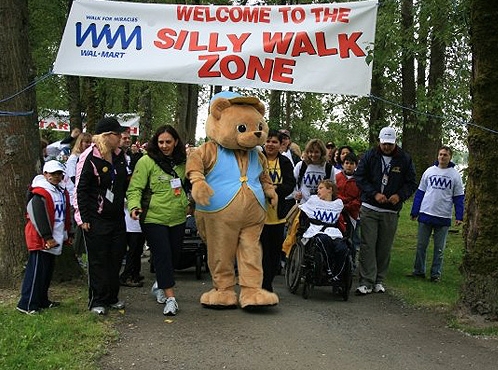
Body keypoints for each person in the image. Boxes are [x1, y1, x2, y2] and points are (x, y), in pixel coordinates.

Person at [126, 125, 189, 316]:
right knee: (162, 254)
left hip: (178, 216)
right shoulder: (146, 161)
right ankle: (171, 299)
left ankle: (161, 283)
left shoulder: (183, 162)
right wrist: (134, 206)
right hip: (153, 217)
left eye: (168, 142)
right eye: (160, 142)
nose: (164, 145)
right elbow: (134, 188)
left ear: (176, 142)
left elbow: (195, 180)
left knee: (174, 256)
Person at [74, 117, 128, 315]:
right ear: (107, 136)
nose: (121, 137)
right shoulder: (89, 156)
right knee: (98, 260)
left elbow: (122, 184)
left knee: (116, 257)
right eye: (117, 134)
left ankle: (112, 297)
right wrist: (83, 218)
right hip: (95, 218)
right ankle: (97, 300)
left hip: (117, 217)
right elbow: (80, 188)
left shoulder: (120, 155)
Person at [354, 126, 417, 295]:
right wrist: (374, 194)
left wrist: (399, 195)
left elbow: (411, 182)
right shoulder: (370, 156)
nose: (387, 147)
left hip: (390, 210)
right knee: (368, 244)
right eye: (384, 144)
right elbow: (359, 177)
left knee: (384, 246)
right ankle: (366, 280)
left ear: (395, 142)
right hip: (370, 207)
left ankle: (379, 280)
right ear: (379, 142)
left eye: (390, 144)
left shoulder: (404, 159)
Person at [17, 160, 71, 315]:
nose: (56, 177)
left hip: (55, 236)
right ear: (45, 174)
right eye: (53, 174)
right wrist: (47, 237)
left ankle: (42, 299)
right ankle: (26, 303)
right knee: (36, 271)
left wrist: (67, 233)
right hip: (41, 238)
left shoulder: (60, 190)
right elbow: (38, 216)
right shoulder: (40, 192)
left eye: (59, 174)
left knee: (46, 271)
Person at [408, 146, 464, 282]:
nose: (442, 157)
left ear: (450, 157)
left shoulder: (454, 175)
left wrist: (459, 216)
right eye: (440, 154)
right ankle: (418, 271)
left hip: (443, 216)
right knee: (421, 245)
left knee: (439, 249)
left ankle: (435, 274)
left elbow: (458, 197)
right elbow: (420, 193)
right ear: (437, 156)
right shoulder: (429, 172)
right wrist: (415, 211)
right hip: (426, 213)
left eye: (445, 155)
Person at [260, 130, 296, 292]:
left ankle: (267, 283)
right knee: (259, 251)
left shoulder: (285, 162)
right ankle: (258, 283)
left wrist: (275, 190)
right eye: (267, 141)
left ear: (281, 144)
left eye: (274, 142)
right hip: (257, 214)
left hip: (277, 216)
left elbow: (290, 184)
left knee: (273, 253)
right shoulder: (257, 160)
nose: (270, 145)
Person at [299, 179, 349, 281]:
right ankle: (329, 268)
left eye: (321, 188)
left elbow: (344, 218)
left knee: (343, 248)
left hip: (333, 232)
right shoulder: (313, 200)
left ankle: (337, 274)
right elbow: (302, 213)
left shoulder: (338, 203)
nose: (318, 191)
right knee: (324, 240)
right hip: (316, 230)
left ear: (330, 190)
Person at [65, 132, 93, 268]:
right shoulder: (73, 159)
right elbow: (74, 180)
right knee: (77, 231)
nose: (88, 145)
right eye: (85, 142)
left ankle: (82, 256)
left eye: (90, 142)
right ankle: (77, 256)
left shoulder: (88, 157)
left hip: (84, 199)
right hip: (74, 199)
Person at [294, 138, 335, 204]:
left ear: (321, 153)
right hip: (303, 204)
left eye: (316, 152)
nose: (313, 155)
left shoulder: (329, 168)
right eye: (311, 152)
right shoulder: (301, 165)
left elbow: (333, 186)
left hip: (322, 205)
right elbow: (292, 181)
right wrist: (295, 193)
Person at [336, 152, 361, 254]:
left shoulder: (359, 180)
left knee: (350, 238)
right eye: (346, 163)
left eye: (351, 163)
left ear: (356, 165)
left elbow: (359, 198)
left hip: (351, 214)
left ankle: (351, 261)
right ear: (343, 164)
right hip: (337, 211)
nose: (349, 166)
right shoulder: (337, 177)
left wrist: (347, 206)